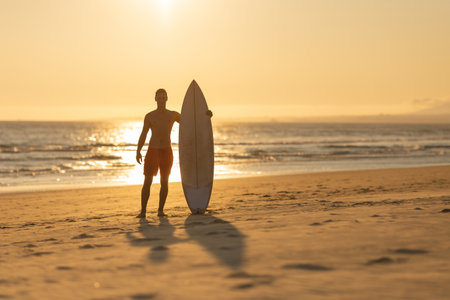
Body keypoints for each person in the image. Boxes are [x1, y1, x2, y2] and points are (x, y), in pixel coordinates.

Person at [136, 88, 212, 218]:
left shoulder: (173, 115)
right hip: (152, 150)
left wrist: (206, 115)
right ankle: (143, 211)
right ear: (155, 99)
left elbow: (191, 123)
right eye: (159, 98)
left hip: (166, 150)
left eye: (163, 97)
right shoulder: (149, 116)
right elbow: (143, 134)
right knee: (147, 181)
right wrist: (138, 151)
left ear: (166, 98)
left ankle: (160, 210)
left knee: (164, 181)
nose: (161, 100)